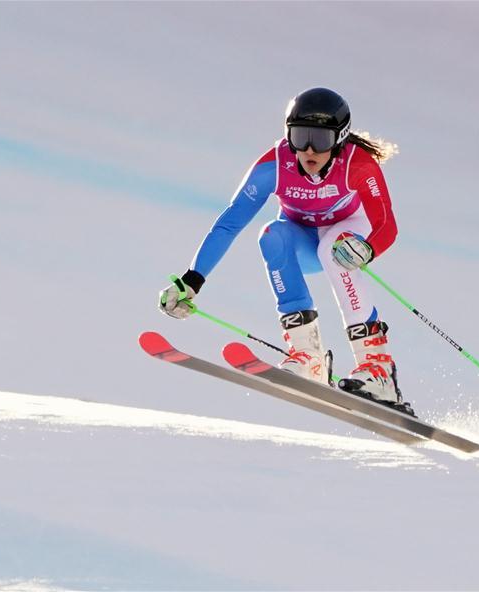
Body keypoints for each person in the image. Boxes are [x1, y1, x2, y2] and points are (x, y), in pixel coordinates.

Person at [158, 87, 413, 415]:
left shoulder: (358, 164)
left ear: (339, 139)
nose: (308, 148)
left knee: (333, 251)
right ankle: (308, 357)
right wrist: (192, 280)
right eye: (299, 135)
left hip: (350, 232)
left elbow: (386, 224)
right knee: (272, 236)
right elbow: (229, 223)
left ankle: (377, 367)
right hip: (305, 241)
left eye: (319, 139)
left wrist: (368, 247)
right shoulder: (274, 166)